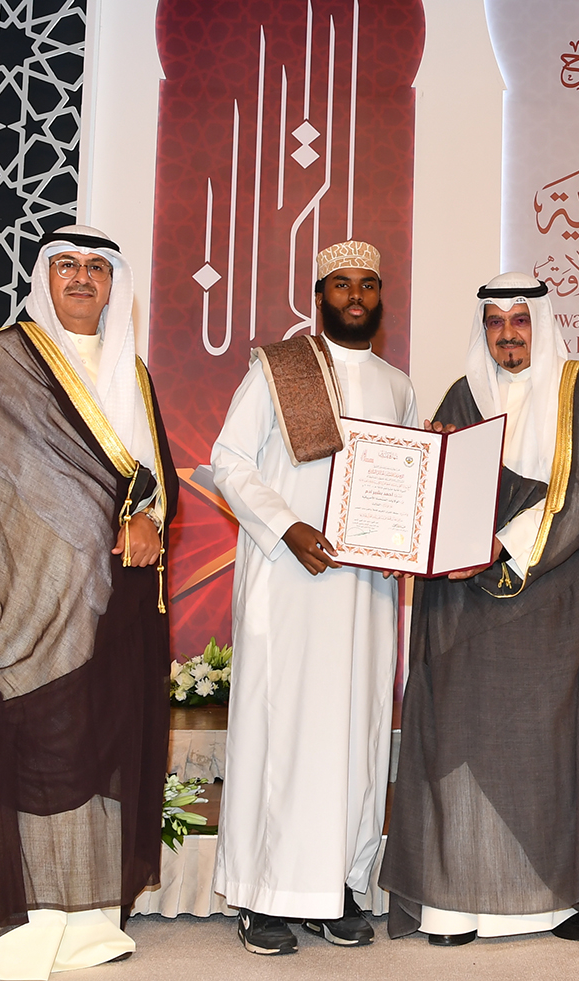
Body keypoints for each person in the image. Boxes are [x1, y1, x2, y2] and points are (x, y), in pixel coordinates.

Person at [0, 225, 178, 979]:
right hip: (13, 600)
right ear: (45, 278)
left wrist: (149, 515)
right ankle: (11, 930)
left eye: (96, 267)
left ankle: (86, 920)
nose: (83, 279)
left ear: (115, 281)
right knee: (21, 745)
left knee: (92, 749)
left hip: (101, 608)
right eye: (67, 266)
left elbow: (148, 478)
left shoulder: (133, 372)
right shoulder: (1, 358)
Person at [379, 272, 579, 945]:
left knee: (549, 751)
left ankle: (556, 901)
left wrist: (504, 548)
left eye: (521, 318)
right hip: (467, 609)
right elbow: (436, 499)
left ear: (541, 323)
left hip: (550, 603)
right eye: (495, 321)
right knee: (462, 744)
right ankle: (454, 904)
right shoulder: (463, 395)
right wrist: (433, 458)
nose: (508, 332)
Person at [211, 241, 418, 955]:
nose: (355, 296)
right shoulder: (278, 368)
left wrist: (410, 543)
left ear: (380, 297)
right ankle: (263, 895)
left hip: (364, 596)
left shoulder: (397, 385)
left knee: (355, 733)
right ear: (319, 293)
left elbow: (408, 484)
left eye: (367, 285)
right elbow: (228, 461)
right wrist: (286, 525)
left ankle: (337, 887)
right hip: (290, 585)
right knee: (286, 733)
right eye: (341, 285)